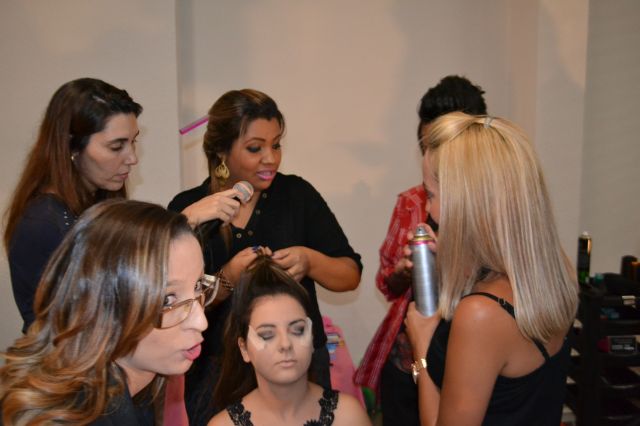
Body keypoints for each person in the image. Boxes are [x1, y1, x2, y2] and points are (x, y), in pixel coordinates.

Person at [169, 89, 362, 425]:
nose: (271, 159)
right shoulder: (191, 209)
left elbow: (350, 275)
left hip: (297, 364)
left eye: (276, 145)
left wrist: (309, 261)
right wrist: (227, 278)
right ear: (221, 152)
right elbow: (169, 306)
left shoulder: (296, 195)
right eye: (255, 148)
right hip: (215, 370)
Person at [404, 112, 579, 425]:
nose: (428, 209)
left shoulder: (481, 314)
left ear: (466, 204)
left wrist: (422, 349)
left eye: (431, 195)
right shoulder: (556, 272)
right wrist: (451, 256)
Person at [0, 200, 211, 425]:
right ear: (101, 308)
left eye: (198, 286)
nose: (201, 321)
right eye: (166, 299)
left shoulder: (143, 385)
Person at [354, 75, 487, 425]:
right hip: (409, 362)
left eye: (441, 145)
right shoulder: (411, 203)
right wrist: (402, 273)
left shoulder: (495, 221)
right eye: (426, 144)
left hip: (465, 365)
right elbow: (386, 283)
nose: (428, 208)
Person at [3, 78, 142, 333]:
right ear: (71, 146)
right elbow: (79, 323)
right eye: (116, 146)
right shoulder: (43, 223)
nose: (132, 158)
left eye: (133, 142)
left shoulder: (94, 204)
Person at [208, 254, 370, 426]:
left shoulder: (348, 416)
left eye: (298, 331)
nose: (285, 344)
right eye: (267, 335)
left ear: (312, 336)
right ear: (244, 349)